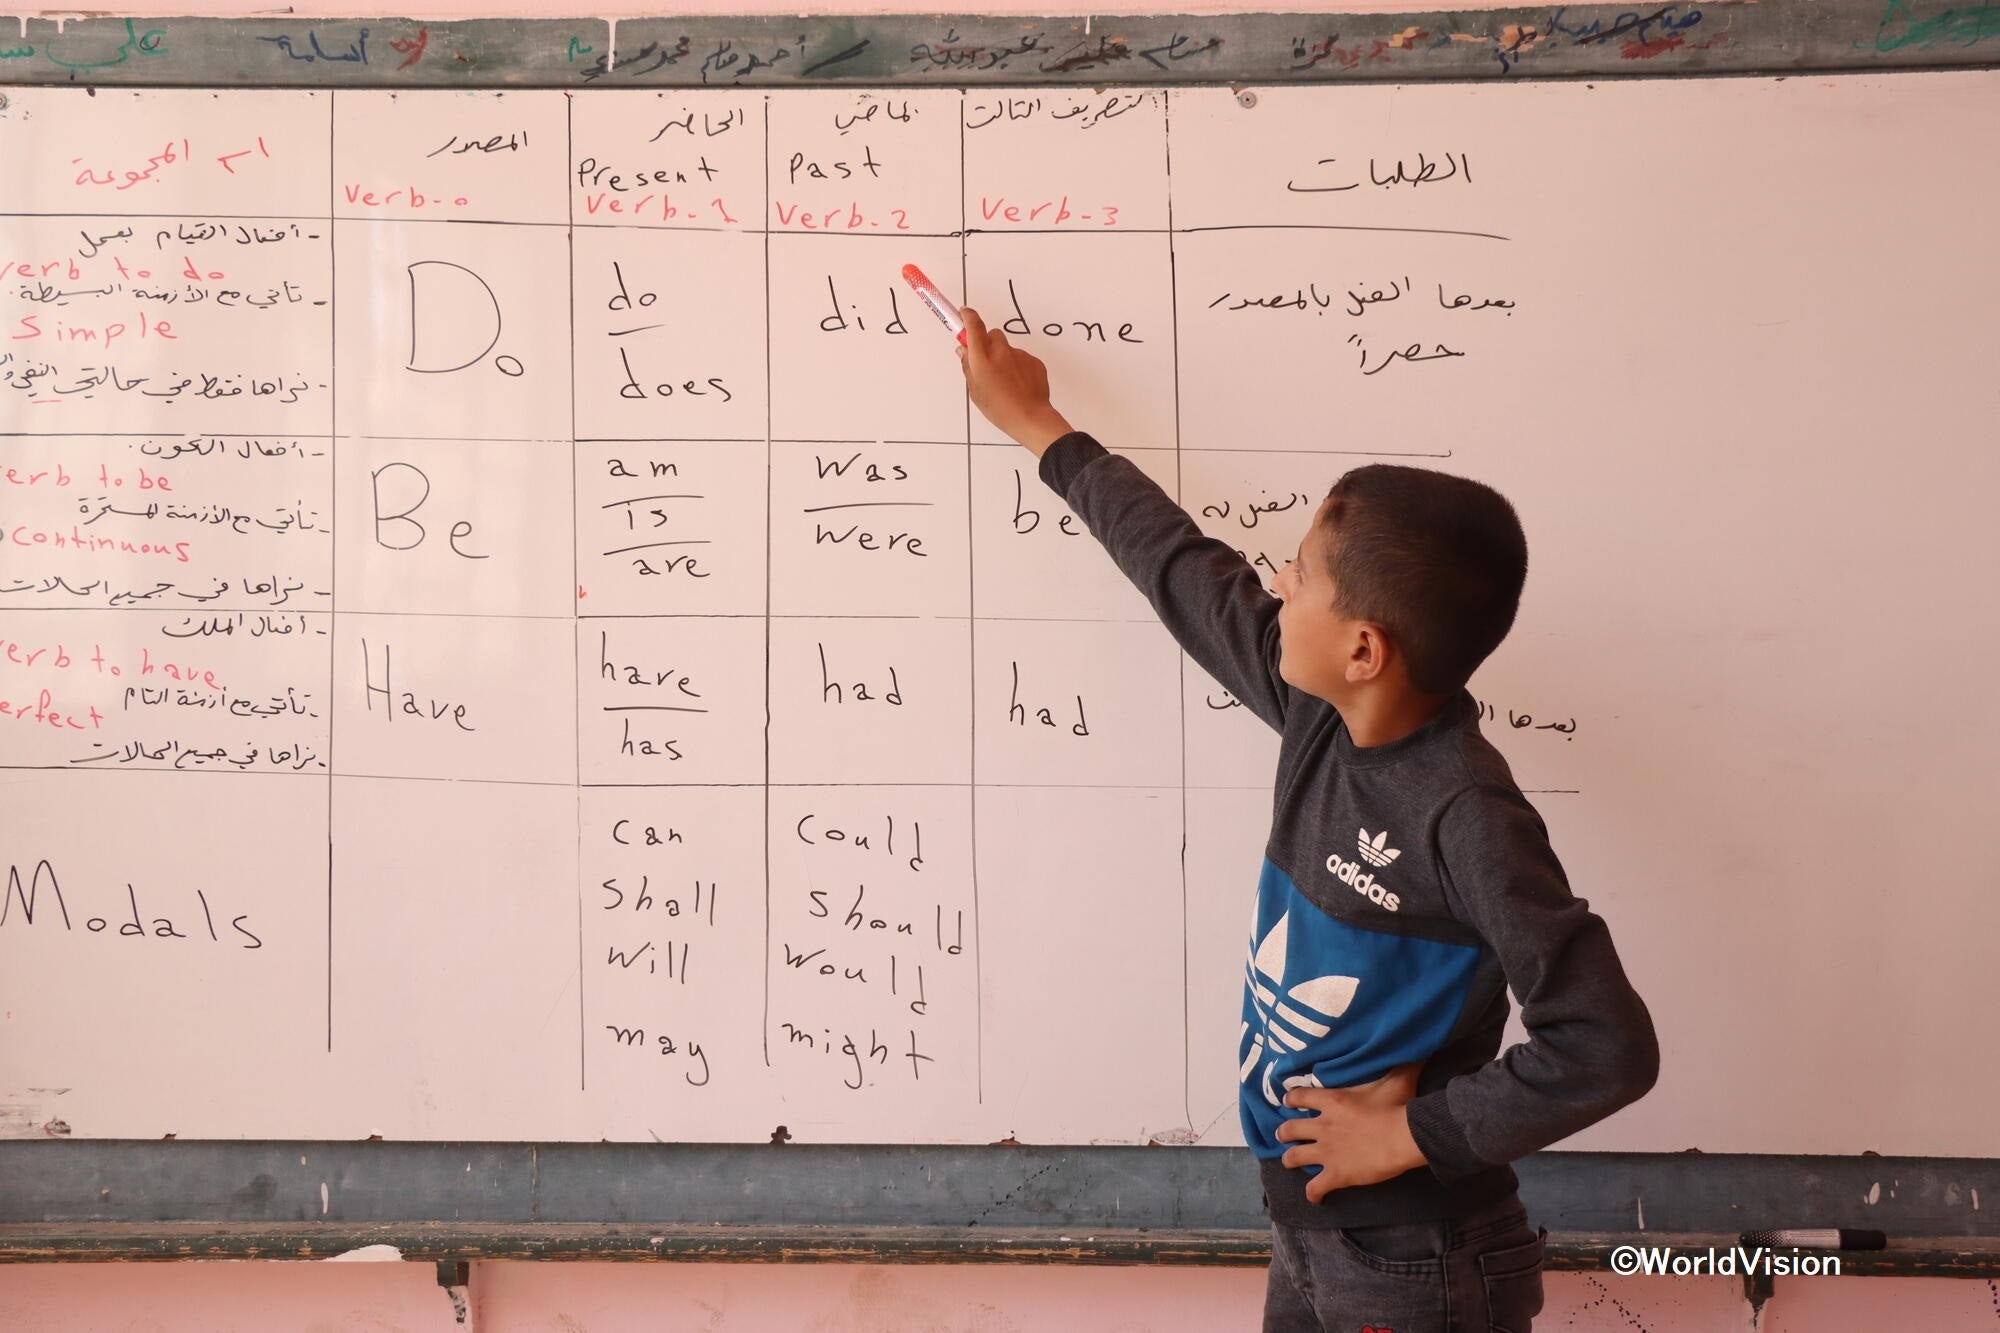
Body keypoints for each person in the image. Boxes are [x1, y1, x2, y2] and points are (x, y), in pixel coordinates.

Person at [952, 306, 1660, 1332]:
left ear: (1364, 646)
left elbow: (1602, 1044)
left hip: (1417, 1253)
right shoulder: (1319, 719)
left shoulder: (1465, 813)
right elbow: (1182, 569)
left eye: (1300, 573)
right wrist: (1040, 426)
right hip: (1319, 1232)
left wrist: (1415, 1133)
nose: (1273, 583)